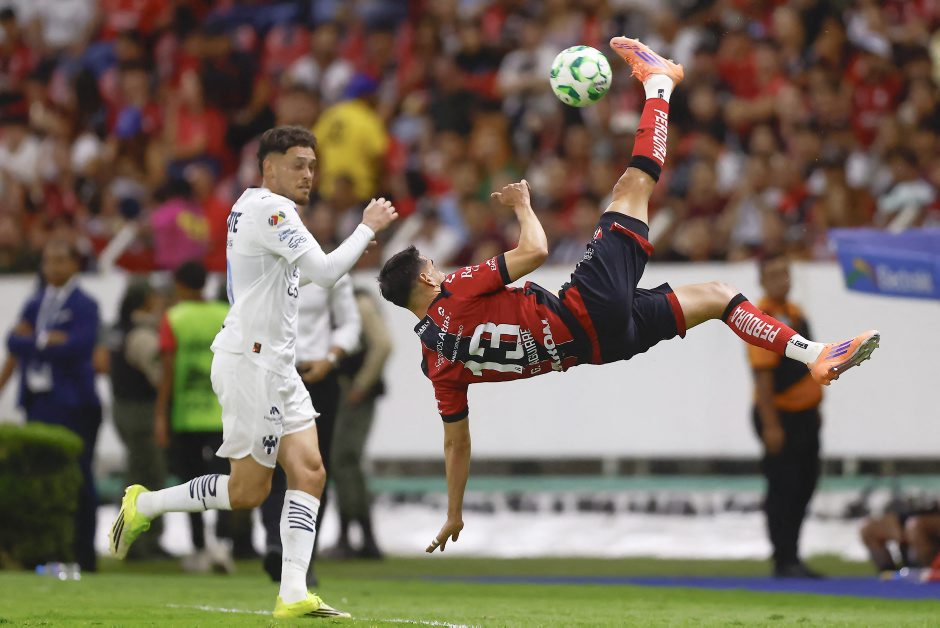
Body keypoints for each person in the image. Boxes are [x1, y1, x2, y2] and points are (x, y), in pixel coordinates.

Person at [377, 38, 881, 554]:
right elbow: (535, 251)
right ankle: (659, 83)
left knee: (718, 296)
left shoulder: (437, 366)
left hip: (601, 347)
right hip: (586, 306)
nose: (441, 269)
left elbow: (456, 442)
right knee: (632, 186)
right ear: (427, 282)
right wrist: (523, 206)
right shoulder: (456, 290)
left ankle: (815, 355)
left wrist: (454, 512)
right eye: (433, 266)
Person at [108, 125, 398, 619]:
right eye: (298, 164)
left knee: (310, 470)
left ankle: (293, 592)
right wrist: (366, 227)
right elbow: (326, 272)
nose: (308, 174)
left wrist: (346, 249)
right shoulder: (271, 210)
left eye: (313, 166)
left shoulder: (252, 207)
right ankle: (145, 504)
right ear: (268, 167)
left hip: (277, 365)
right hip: (252, 362)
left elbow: (296, 275)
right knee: (248, 492)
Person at [260, 204, 362, 585]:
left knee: (315, 467)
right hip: (274, 373)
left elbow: (350, 324)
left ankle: (303, 557)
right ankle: (276, 543)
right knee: (270, 461)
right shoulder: (269, 265)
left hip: (317, 375)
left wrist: (331, 358)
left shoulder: (331, 269)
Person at [6, 240, 102, 571]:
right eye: (48, 260)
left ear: (74, 264)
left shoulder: (84, 304)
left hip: (74, 402)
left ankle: (84, 555)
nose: (54, 267)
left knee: (78, 476)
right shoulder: (35, 303)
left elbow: (77, 346)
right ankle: (46, 551)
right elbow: (12, 340)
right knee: (39, 477)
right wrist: (47, 339)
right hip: (39, 400)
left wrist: (34, 340)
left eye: (61, 260)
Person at [154, 260, 239, 573]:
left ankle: (200, 548)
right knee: (225, 482)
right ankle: (224, 546)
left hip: (187, 414)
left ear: (179, 284)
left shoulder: (174, 317)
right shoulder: (225, 313)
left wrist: (160, 415)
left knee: (191, 485)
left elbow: (168, 371)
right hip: (223, 413)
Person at [748, 253, 824, 579]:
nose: (783, 280)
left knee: (805, 482)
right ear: (763, 280)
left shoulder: (795, 314)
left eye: (785, 273)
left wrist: (815, 408)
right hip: (780, 415)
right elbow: (763, 376)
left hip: (804, 414)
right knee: (784, 485)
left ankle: (792, 553)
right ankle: (783, 557)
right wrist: (771, 425)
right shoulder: (762, 319)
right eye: (775, 274)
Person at [327, 287, 392, 560]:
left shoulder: (358, 303)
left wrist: (361, 385)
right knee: (344, 461)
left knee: (344, 459)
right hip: (344, 391)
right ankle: (360, 536)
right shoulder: (350, 300)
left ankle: (357, 536)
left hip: (351, 392)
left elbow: (383, 345)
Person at [109, 280, 168, 560]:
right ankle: (142, 543)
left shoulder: (118, 330)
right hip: (142, 411)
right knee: (148, 477)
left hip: (122, 407)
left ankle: (134, 541)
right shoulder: (143, 334)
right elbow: (159, 375)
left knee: (137, 474)